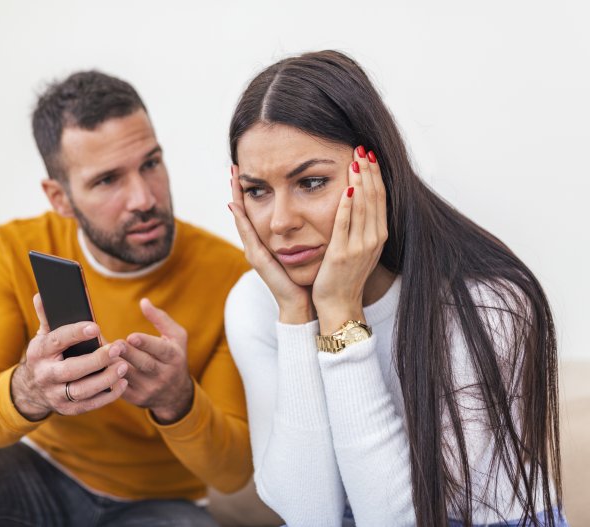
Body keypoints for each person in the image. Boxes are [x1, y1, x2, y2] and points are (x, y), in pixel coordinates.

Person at [0, 71, 252, 526]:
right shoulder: (13, 248)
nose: (144, 198)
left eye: (151, 163)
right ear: (59, 197)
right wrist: (30, 388)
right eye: (107, 181)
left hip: (157, 503)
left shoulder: (232, 275)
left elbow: (232, 472)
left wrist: (179, 400)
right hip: (41, 476)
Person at [224, 50, 565, 526]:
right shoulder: (257, 303)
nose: (280, 222)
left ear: (374, 173)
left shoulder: (485, 303)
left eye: (312, 182)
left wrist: (341, 314)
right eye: (257, 191)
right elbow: (308, 514)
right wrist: (298, 318)